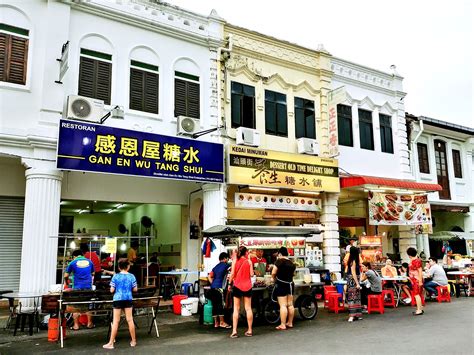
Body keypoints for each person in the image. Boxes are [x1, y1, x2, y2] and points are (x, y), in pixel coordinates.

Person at [103, 259, 138, 349]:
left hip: (118, 299)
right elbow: (135, 289)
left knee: (115, 321)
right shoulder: (132, 276)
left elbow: (111, 290)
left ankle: (111, 343)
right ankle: (133, 341)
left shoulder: (115, 276)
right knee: (130, 320)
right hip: (128, 298)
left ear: (119, 267)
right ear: (128, 266)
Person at [64, 250, 95, 330]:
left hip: (77, 287)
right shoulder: (90, 262)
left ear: (74, 256)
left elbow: (66, 275)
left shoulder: (73, 262)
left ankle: (76, 325)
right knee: (88, 305)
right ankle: (89, 324)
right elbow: (93, 273)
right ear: (82, 255)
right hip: (88, 287)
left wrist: (67, 281)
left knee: (76, 306)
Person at [228, 246, 254, 338]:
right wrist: (249, 260)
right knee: (248, 308)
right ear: (245, 252)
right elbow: (251, 274)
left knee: (236, 309)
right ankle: (250, 330)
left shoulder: (235, 261)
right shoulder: (249, 261)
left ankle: (234, 331)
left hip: (237, 286)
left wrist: (229, 284)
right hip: (247, 286)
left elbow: (232, 274)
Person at [272, 247, 296, 330]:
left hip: (281, 284)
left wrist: (274, 279)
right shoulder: (291, 263)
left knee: (283, 305)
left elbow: (273, 272)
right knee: (290, 304)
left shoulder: (279, 261)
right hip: (290, 284)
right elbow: (293, 274)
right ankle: (290, 322)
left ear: (280, 254)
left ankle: (283, 324)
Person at [208, 252, 231, 329]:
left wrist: (213, 283)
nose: (228, 260)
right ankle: (222, 322)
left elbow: (209, 276)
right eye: (227, 258)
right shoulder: (227, 265)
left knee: (214, 305)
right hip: (220, 288)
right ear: (225, 259)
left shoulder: (215, 267)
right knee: (220, 305)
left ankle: (216, 323)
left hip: (212, 288)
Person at [346, 246, 363, 322]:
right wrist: (357, 283)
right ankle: (353, 315)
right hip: (353, 280)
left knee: (355, 297)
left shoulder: (353, 260)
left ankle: (356, 314)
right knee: (354, 298)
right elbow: (353, 273)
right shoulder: (353, 261)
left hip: (353, 280)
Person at [407, 247, 424, 315]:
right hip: (414, 279)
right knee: (417, 294)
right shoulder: (413, 260)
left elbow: (420, 271)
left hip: (416, 280)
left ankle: (419, 310)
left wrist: (420, 281)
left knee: (417, 294)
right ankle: (419, 308)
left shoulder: (416, 261)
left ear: (409, 254)